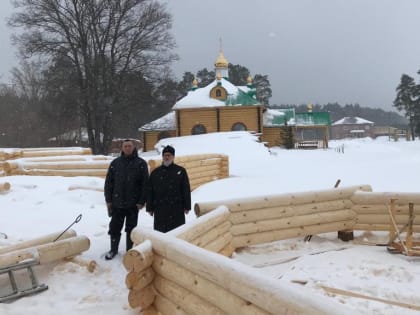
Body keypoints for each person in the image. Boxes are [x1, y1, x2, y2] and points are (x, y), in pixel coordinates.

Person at [104, 139, 149, 260]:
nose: (127, 148)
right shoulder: (115, 163)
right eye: (125, 146)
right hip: (117, 204)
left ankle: (130, 251)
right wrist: (109, 200)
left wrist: (141, 201)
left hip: (133, 204)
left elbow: (145, 184)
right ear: (122, 148)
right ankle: (113, 250)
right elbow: (108, 183)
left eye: (130, 146)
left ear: (134, 148)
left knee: (131, 229)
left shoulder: (141, 163)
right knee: (114, 228)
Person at [146, 145, 191, 232]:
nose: (166, 157)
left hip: (177, 207)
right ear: (162, 157)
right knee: (160, 233)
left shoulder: (180, 171)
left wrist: (187, 206)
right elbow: (150, 191)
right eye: (165, 155)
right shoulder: (155, 173)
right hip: (160, 208)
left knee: (178, 232)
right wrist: (150, 207)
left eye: (169, 155)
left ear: (173, 157)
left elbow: (185, 189)